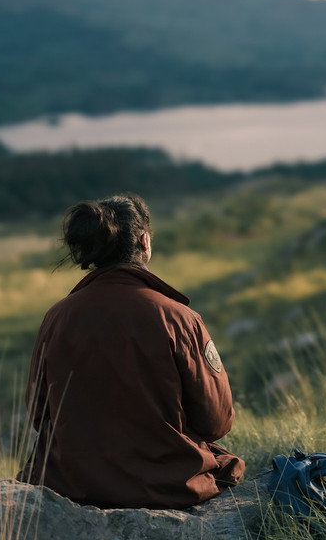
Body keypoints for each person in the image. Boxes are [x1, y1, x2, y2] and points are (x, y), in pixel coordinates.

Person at [16, 193, 245, 509]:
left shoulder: (57, 317)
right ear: (145, 242)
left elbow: (41, 414)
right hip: (168, 485)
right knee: (229, 464)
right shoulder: (179, 318)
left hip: (72, 485)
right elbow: (216, 422)